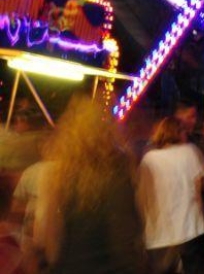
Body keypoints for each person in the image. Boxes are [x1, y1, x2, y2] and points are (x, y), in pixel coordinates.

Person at [33, 95, 145, 274]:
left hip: (69, 266)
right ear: (107, 130)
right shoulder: (119, 167)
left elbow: (44, 234)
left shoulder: (56, 173)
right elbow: (125, 232)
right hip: (113, 266)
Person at [138, 115, 204, 273]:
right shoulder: (190, 152)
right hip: (190, 230)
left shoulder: (148, 159)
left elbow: (142, 199)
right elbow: (201, 188)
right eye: (184, 131)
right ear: (178, 133)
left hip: (158, 237)